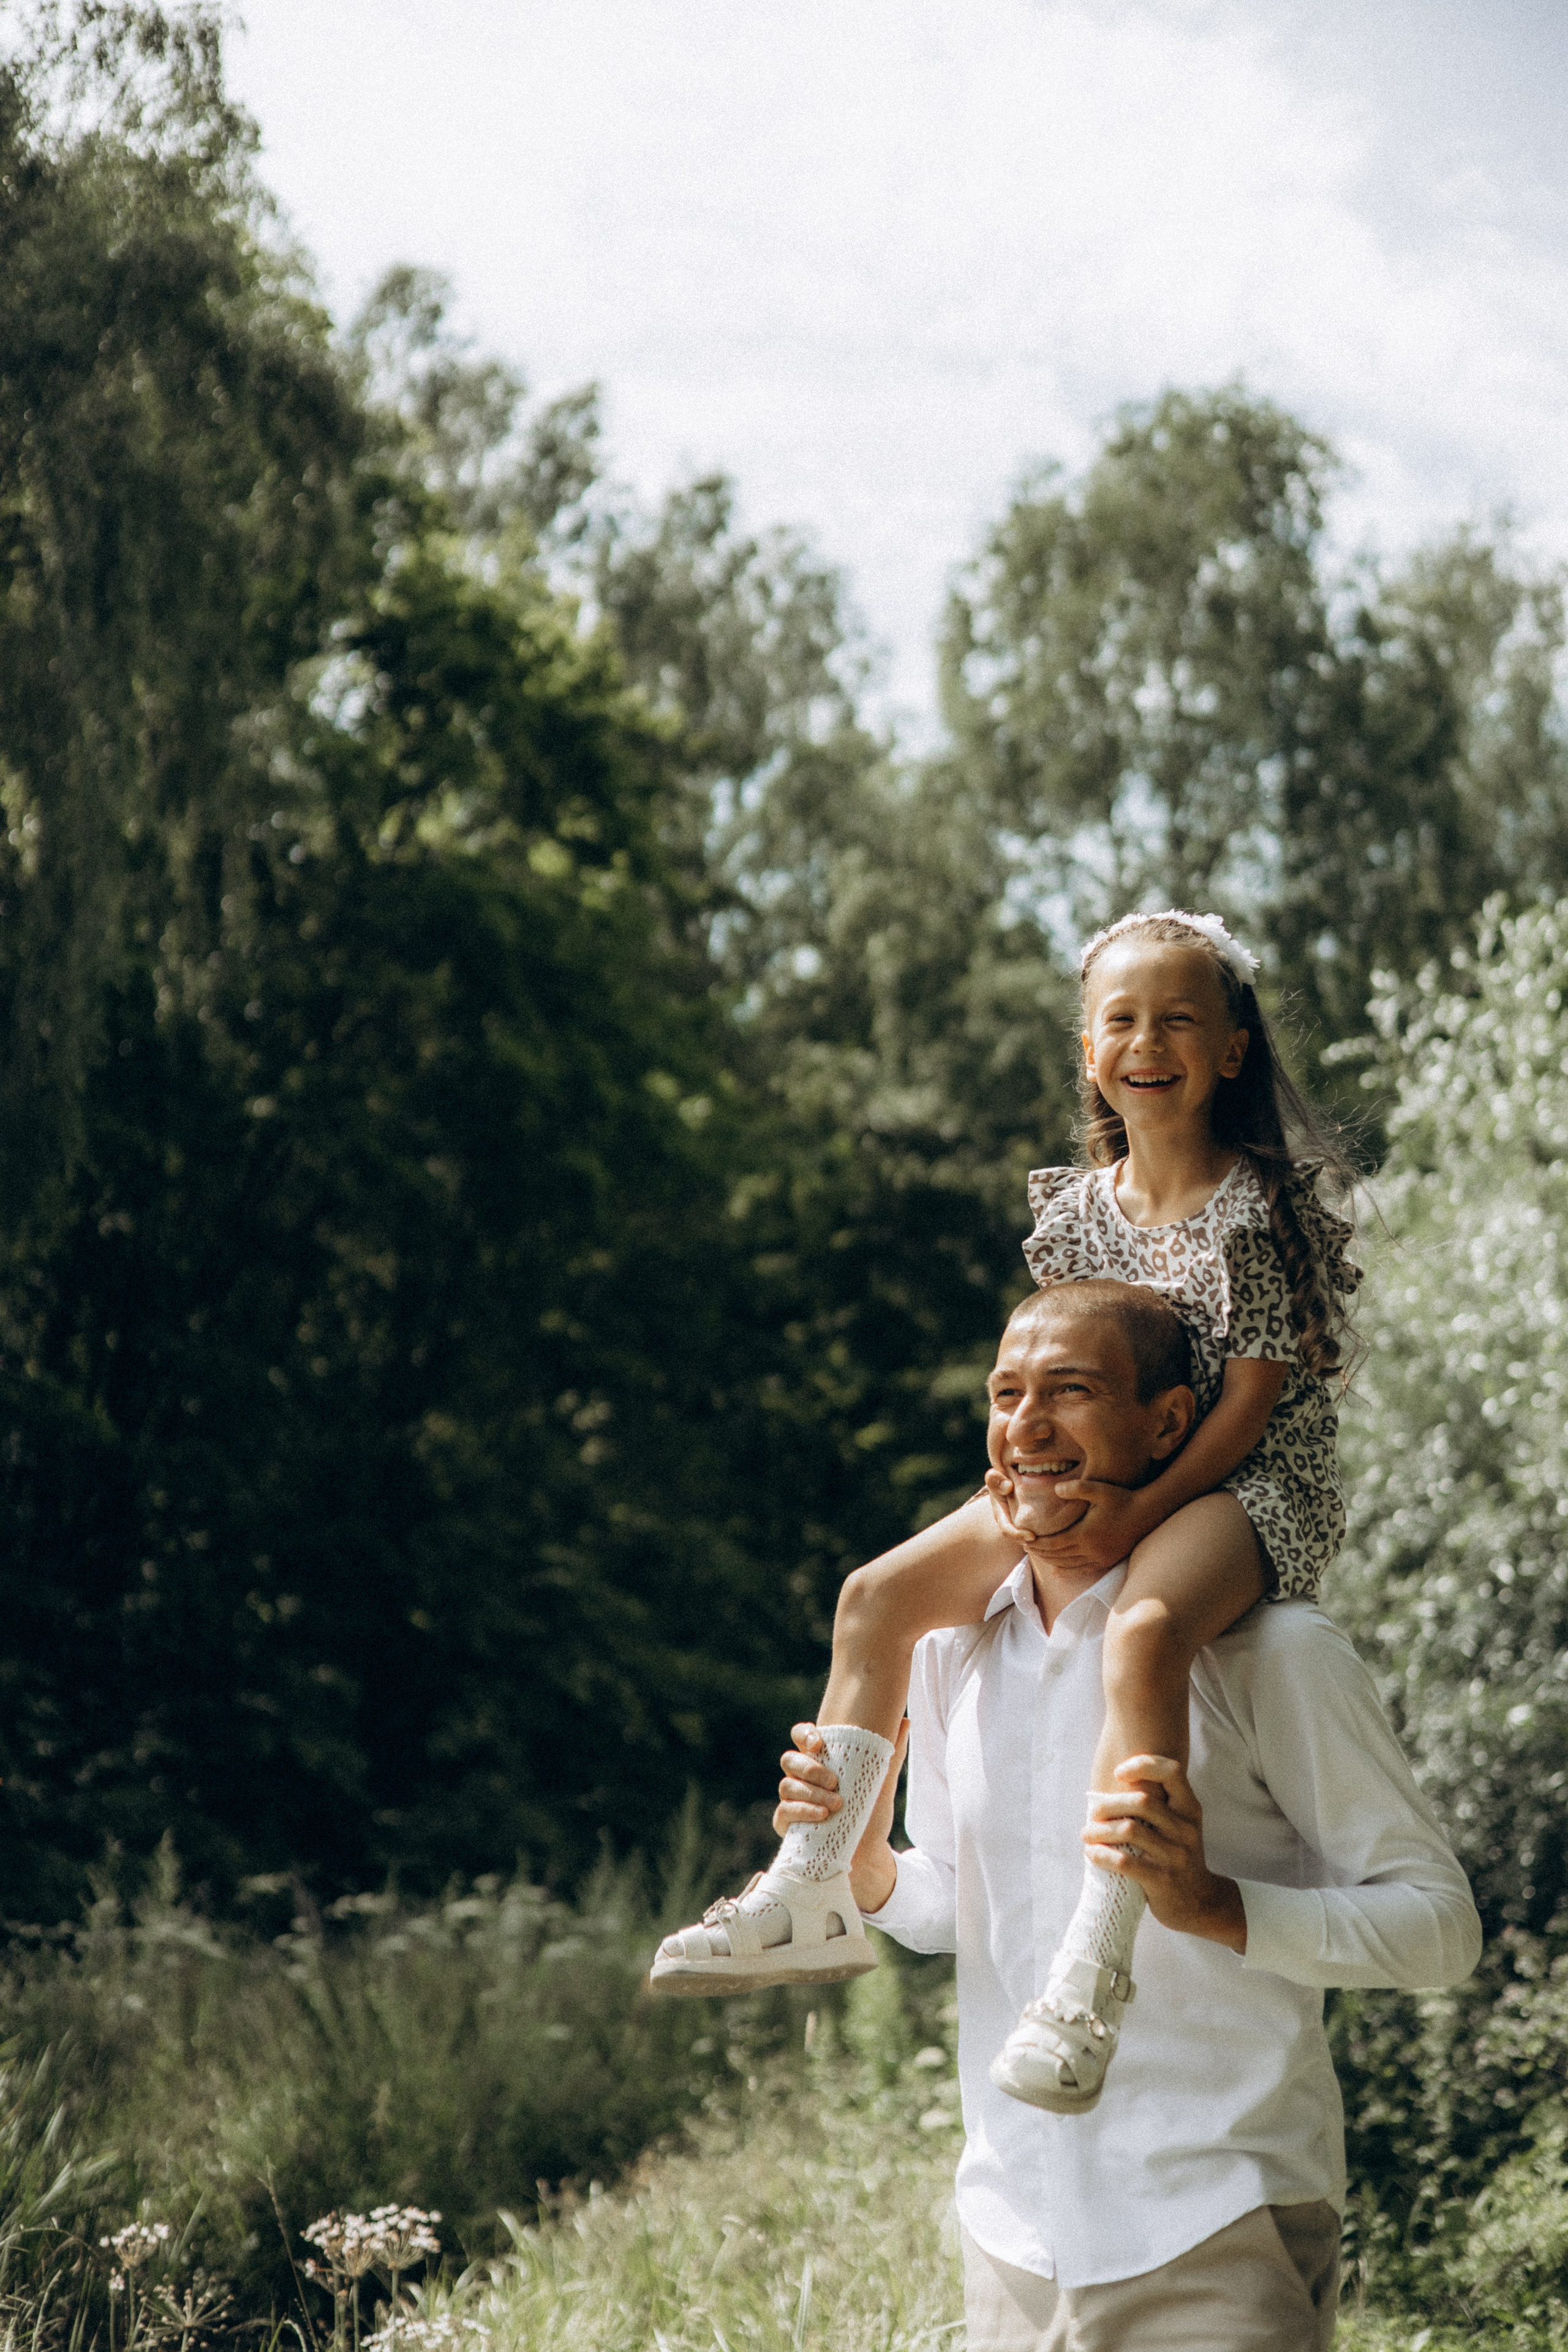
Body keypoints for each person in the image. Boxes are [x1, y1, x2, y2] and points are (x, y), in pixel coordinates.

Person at [651, 908, 1360, 2118]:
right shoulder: (1077, 1211)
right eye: (1120, 1021)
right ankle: (816, 1883)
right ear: (1087, 1050)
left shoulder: (1252, 1211)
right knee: (874, 1598)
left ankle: (1092, 1963)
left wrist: (1131, 1509)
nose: (1147, 1042)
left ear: (1231, 1051)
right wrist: (1031, 1481)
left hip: (1234, 1488)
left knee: (1140, 1631)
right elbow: (1059, 1364)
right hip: (1099, 1472)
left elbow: (1244, 1407)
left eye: (1178, 1020)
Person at [779, 1278, 1481, 2352]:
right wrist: (862, 1861)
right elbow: (951, 1905)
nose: (1028, 1425)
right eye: (1007, 1393)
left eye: (1072, 1391)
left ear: (1169, 1423)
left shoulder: (1269, 1654)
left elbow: (1440, 1930)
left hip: (1218, 2226)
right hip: (1013, 2235)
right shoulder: (948, 1650)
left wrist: (1213, 1906)